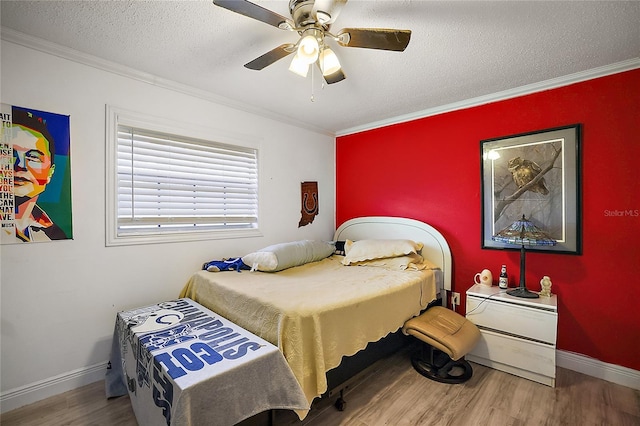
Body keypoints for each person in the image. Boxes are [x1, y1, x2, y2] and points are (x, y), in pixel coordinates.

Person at [10, 108, 67, 242]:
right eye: (9, 153)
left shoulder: (54, 234)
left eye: (33, 157)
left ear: (50, 172)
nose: (20, 165)